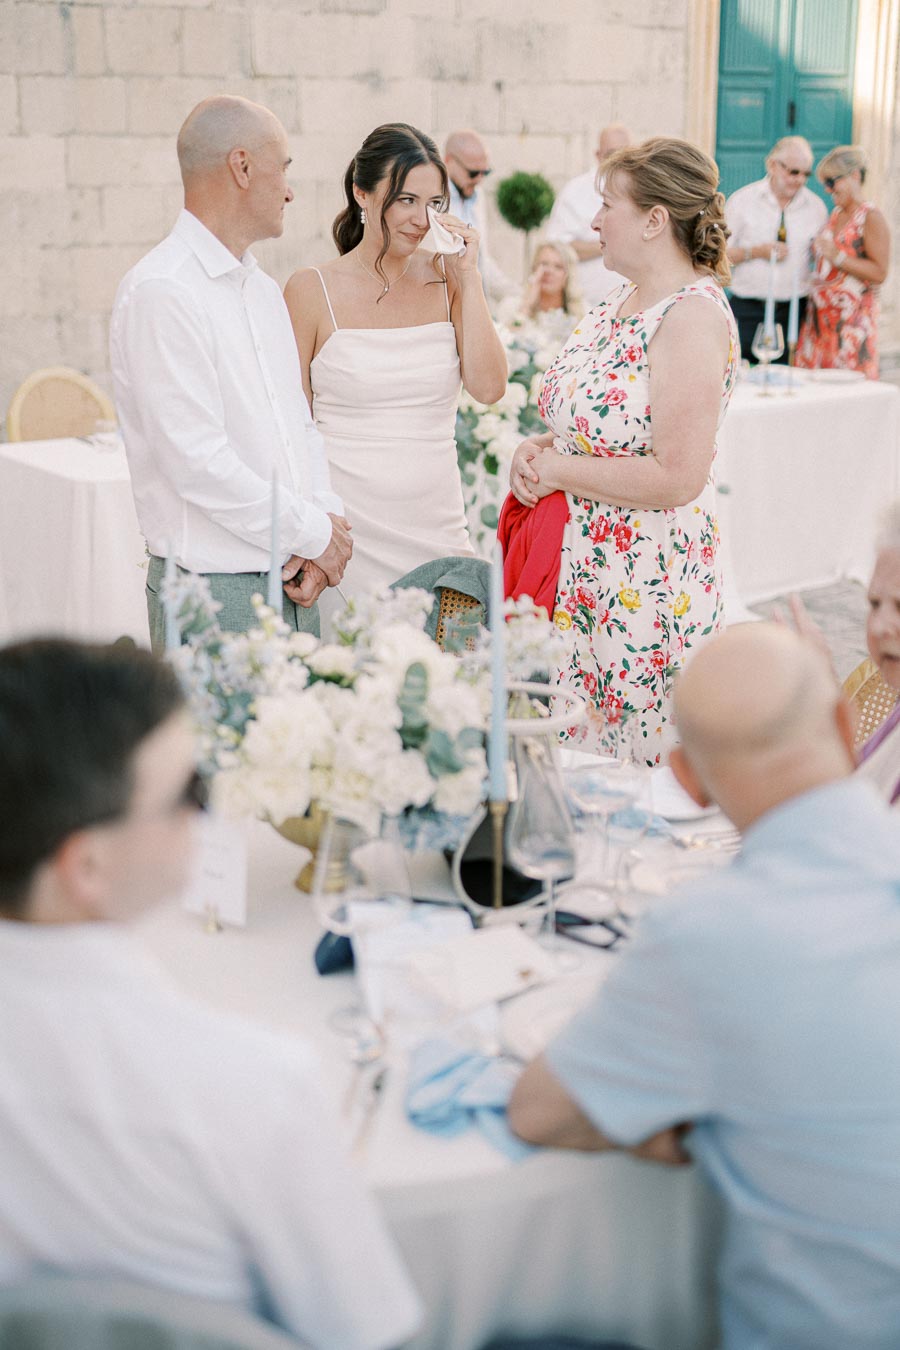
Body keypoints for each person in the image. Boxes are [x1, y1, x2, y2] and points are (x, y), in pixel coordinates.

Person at [0, 637, 422, 1350]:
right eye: (189, 792)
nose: (209, 813)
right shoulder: (251, 1087)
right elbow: (374, 1333)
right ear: (88, 865)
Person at [509, 622, 900, 1350]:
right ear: (846, 726)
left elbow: (537, 1113)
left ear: (685, 776)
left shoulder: (709, 933)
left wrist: (692, 1123)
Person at [508, 137, 738, 765]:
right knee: (568, 746)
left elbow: (677, 475)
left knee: (628, 767)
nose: (593, 220)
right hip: (582, 568)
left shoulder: (691, 317)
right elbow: (598, 424)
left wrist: (557, 469)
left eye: (608, 204)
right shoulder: (617, 299)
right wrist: (538, 448)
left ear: (655, 220)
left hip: (644, 579)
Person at [110, 95, 352, 651]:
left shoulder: (263, 291)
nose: (290, 189)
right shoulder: (163, 291)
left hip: (295, 581)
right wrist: (314, 533)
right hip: (213, 597)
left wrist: (325, 526)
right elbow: (196, 462)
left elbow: (300, 427)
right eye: (283, 167)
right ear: (242, 167)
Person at [284, 122, 507, 620]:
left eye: (434, 204)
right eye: (406, 200)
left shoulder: (450, 277)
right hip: (346, 533)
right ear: (362, 193)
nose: (421, 219)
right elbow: (292, 425)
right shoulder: (309, 289)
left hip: (438, 525)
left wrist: (469, 279)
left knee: (451, 677)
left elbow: (490, 388)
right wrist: (311, 530)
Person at [724, 135, 827, 362]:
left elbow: (821, 259)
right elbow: (719, 256)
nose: (799, 180)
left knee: (787, 383)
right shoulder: (742, 201)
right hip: (748, 307)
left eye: (805, 174)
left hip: (794, 311)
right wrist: (756, 251)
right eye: (793, 172)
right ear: (772, 165)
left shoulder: (816, 207)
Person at [795, 144, 890, 379]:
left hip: (850, 326)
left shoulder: (871, 217)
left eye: (832, 181)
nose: (828, 190)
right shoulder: (836, 214)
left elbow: (879, 272)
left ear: (855, 176)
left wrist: (837, 257)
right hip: (819, 323)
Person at [546, 123, 631, 307]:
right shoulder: (575, 191)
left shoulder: (640, 191)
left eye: (624, 153)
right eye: (611, 154)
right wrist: (610, 244)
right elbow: (557, 248)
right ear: (598, 155)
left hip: (631, 304)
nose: (618, 160)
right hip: (586, 305)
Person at [444, 128, 516, 304]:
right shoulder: (433, 198)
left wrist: (515, 293)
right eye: (473, 173)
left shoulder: (478, 196)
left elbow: (482, 258)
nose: (479, 179)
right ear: (449, 161)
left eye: (485, 173)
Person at [498, 239, 585, 345]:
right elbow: (504, 345)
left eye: (558, 267)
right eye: (543, 264)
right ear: (534, 269)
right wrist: (526, 306)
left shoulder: (582, 312)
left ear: (567, 276)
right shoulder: (511, 306)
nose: (549, 271)